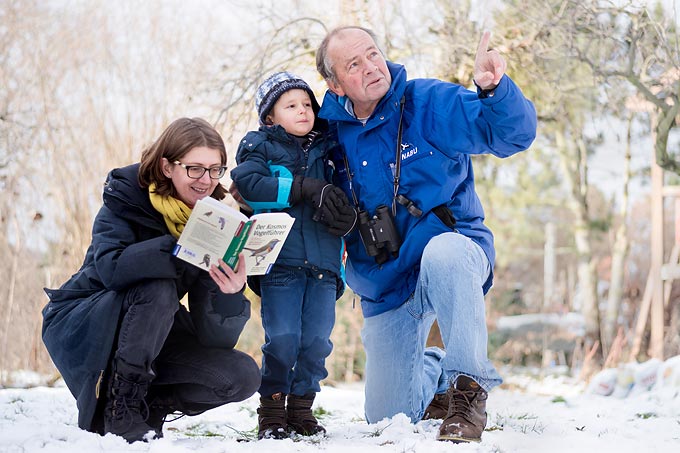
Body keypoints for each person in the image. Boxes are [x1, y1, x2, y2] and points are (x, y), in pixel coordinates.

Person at [314, 26, 537, 443]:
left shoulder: (427, 103)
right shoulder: (326, 138)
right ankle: (434, 369)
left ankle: (467, 390)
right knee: (385, 417)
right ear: (334, 83)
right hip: (387, 283)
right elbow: (292, 182)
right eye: (354, 65)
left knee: (445, 252)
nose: (371, 68)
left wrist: (494, 90)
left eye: (373, 54)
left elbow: (512, 136)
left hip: (452, 253)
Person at [41, 117, 261, 443]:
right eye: (195, 169)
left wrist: (229, 293)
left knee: (241, 375)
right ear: (167, 166)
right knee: (156, 287)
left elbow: (213, 338)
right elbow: (110, 270)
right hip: (86, 323)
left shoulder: (209, 222)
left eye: (216, 169)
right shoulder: (126, 199)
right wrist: (179, 245)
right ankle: (120, 408)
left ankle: (149, 404)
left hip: (151, 333)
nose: (206, 180)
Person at [230, 71, 354, 439]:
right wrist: (301, 187)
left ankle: (301, 408)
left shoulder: (330, 150)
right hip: (279, 263)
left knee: (317, 341)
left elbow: (349, 192)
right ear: (270, 116)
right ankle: (271, 410)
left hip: (324, 264)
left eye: (307, 104)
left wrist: (347, 215)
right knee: (283, 337)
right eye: (291, 105)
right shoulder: (259, 145)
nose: (303, 111)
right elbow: (250, 186)